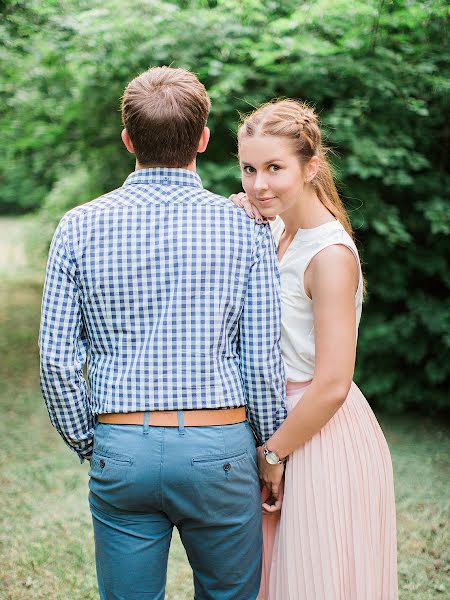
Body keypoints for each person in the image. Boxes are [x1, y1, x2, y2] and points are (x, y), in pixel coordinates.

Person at [39, 66, 286, 600]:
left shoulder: (77, 226)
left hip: (122, 443)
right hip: (220, 447)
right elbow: (261, 359)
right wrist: (269, 450)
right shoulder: (246, 228)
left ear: (128, 139)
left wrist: (92, 439)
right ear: (203, 138)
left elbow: (57, 359)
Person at [231, 99, 398, 600]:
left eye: (274, 168)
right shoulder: (275, 227)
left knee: (313, 581)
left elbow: (332, 383)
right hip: (273, 428)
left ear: (311, 166)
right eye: (248, 168)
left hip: (318, 435)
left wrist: (275, 453)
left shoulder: (328, 256)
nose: (259, 184)